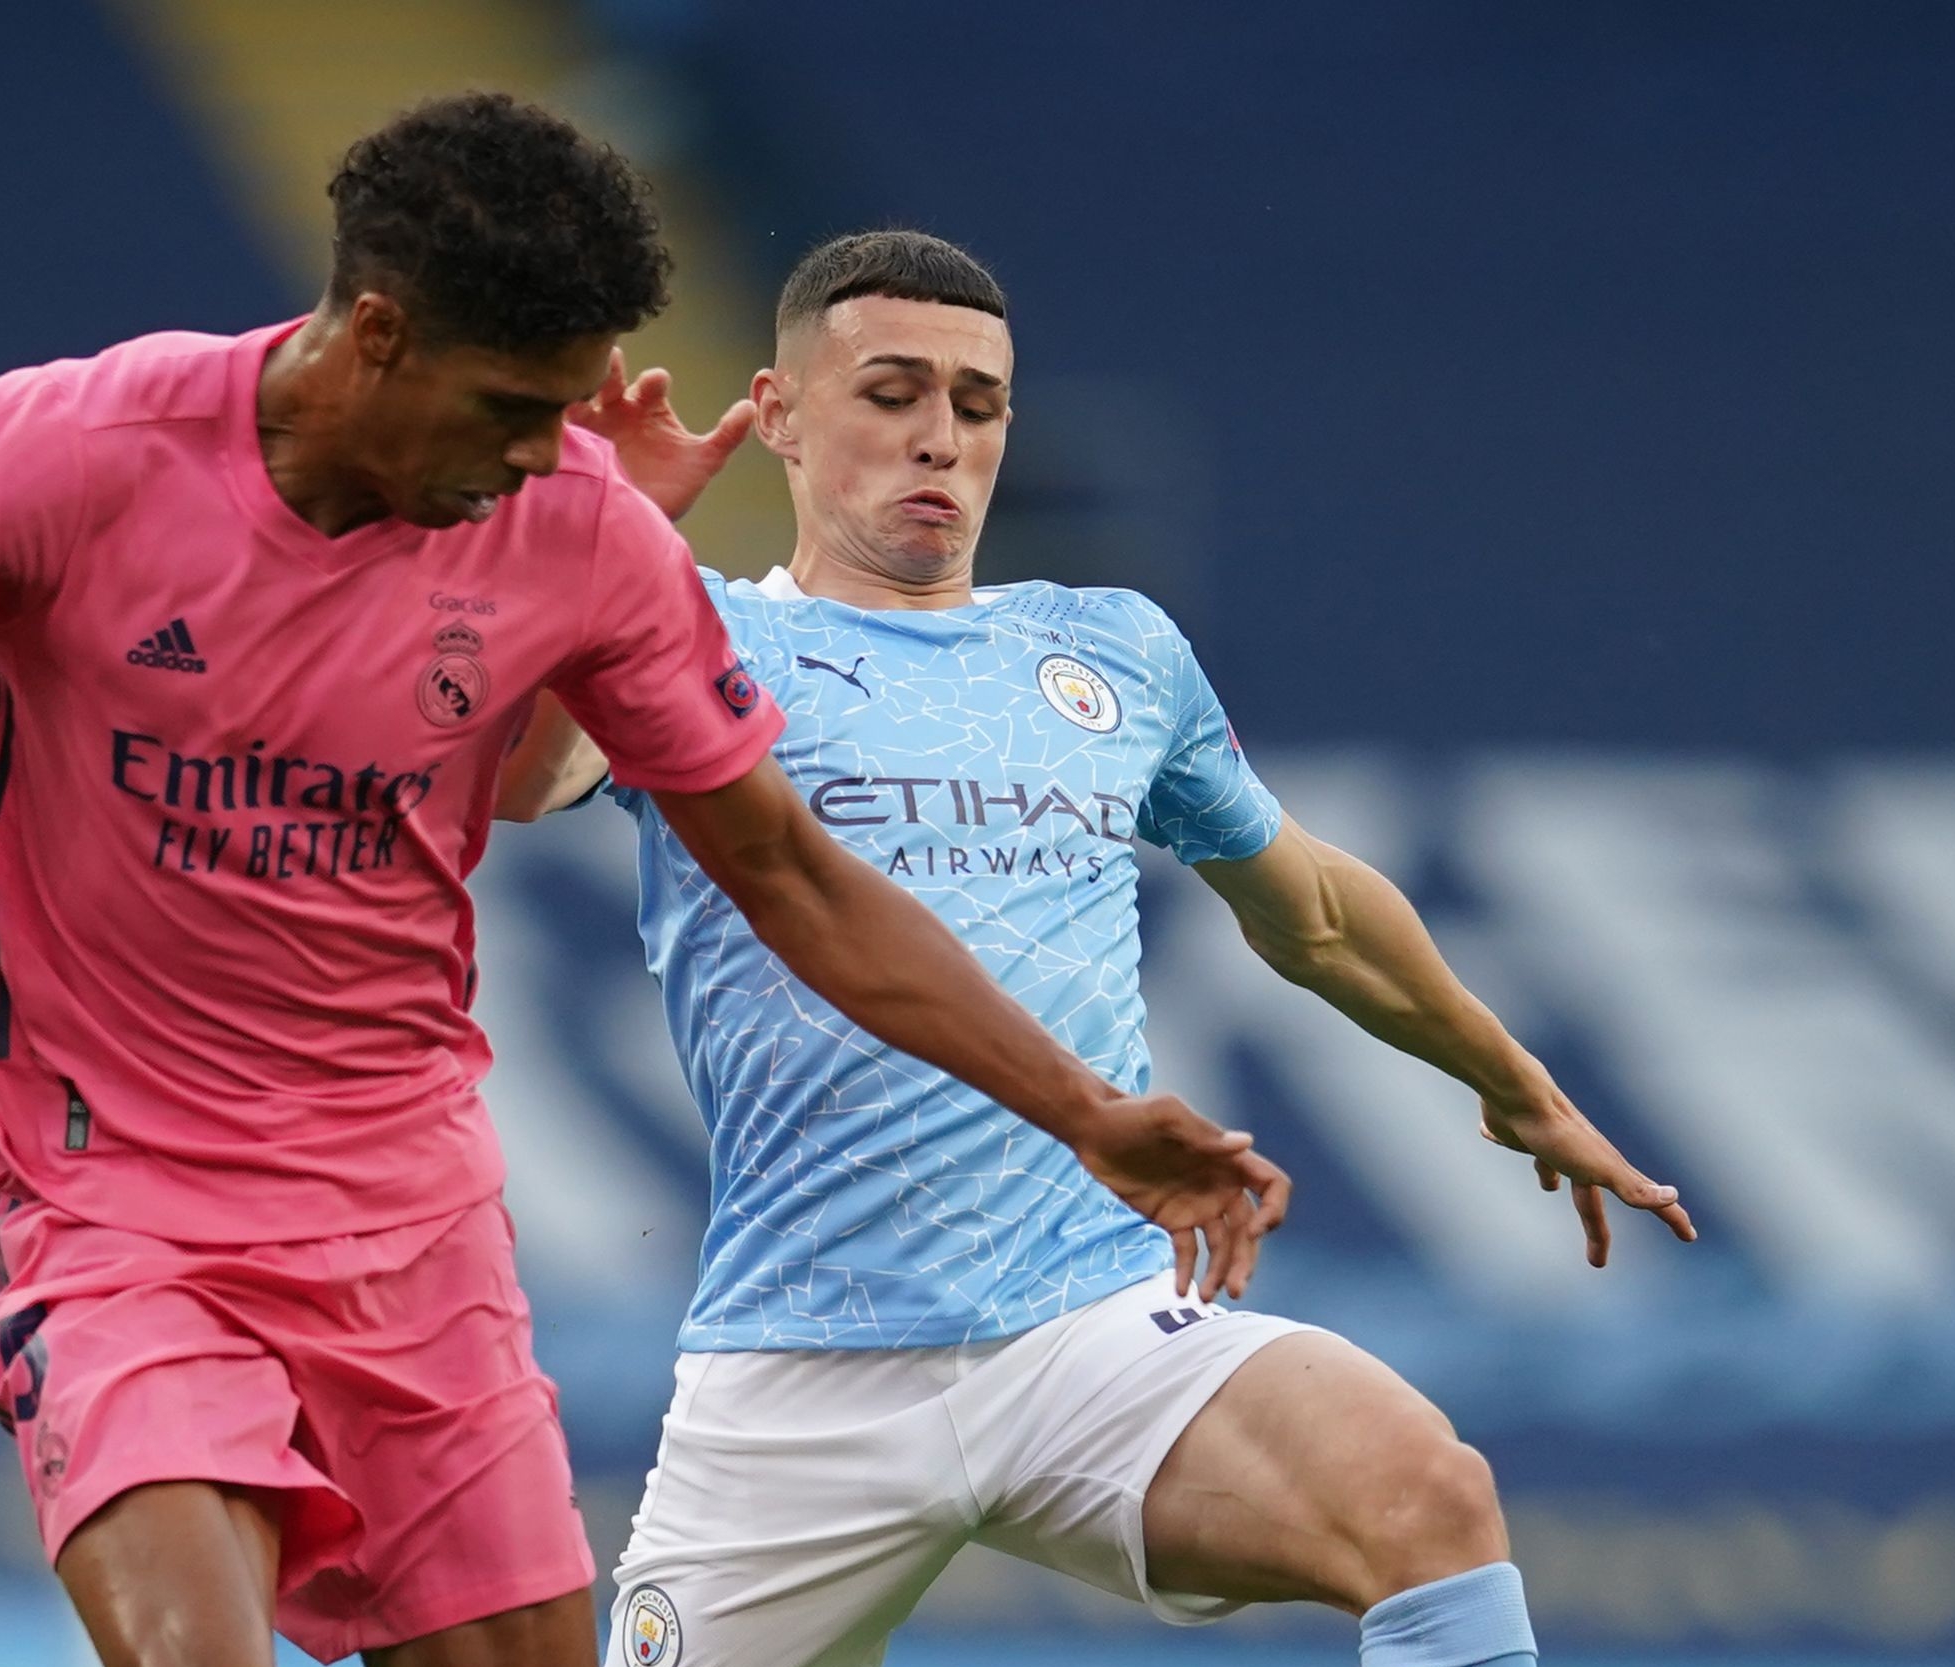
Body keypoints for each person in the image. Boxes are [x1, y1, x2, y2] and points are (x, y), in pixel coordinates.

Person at [0, 101, 1282, 1667]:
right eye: (511, 406)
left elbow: (794, 878)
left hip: (414, 1224)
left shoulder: (580, 532)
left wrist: (1086, 1112)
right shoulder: (63, 455)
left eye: (565, 412)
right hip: (118, 1207)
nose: (543, 455)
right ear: (379, 334)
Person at [499, 230, 1696, 1667]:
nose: (941, 439)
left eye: (979, 404)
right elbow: (518, 777)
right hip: (802, 1366)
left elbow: (1313, 908)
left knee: (1423, 1496)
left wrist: (1514, 1082)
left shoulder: (1113, 650)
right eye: (891, 393)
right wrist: (600, 556)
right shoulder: (697, 629)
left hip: (1091, 1324)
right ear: (780, 415)